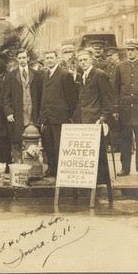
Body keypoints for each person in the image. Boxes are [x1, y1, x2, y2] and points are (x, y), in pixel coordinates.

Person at [74, 50, 114, 191]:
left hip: (95, 120)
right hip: (84, 121)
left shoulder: (99, 75)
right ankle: (90, 181)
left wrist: (102, 118)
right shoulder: (82, 76)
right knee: (88, 153)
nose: (83, 63)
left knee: (99, 153)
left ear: (91, 60)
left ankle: (102, 182)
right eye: (80, 60)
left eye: (85, 59)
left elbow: (108, 100)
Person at [39, 50, 78, 179]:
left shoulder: (64, 75)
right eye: (47, 58)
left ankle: (61, 171)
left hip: (60, 117)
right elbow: (43, 97)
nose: (49, 60)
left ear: (56, 59)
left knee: (59, 145)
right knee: (48, 145)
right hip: (47, 117)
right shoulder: (44, 75)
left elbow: (72, 98)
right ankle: (52, 169)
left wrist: (67, 115)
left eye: (51, 58)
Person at [2, 49, 43, 163]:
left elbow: (40, 95)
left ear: (28, 58)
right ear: (17, 59)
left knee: (33, 140)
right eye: (20, 58)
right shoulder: (11, 75)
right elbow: (5, 97)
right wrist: (9, 112)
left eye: (24, 57)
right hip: (17, 114)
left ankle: (32, 165)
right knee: (16, 141)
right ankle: (18, 166)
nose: (22, 60)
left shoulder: (36, 75)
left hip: (32, 114)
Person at [113, 39, 138, 176]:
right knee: (125, 140)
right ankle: (125, 168)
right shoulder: (120, 67)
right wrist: (115, 109)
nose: (130, 52)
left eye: (132, 50)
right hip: (125, 110)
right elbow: (115, 89)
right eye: (128, 50)